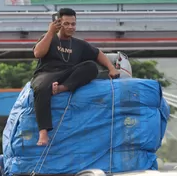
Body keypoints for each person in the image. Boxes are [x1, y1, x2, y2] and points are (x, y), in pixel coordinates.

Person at [31, 8, 120, 146]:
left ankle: (61, 89)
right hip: (47, 74)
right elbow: (38, 53)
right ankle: (43, 133)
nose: (70, 27)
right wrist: (50, 32)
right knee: (41, 87)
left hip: (68, 75)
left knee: (91, 66)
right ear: (58, 22)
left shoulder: (79, 44)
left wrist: (111, 68)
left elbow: (98, 54)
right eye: (66, 24)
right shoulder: (48, 37)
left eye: (73, 24)